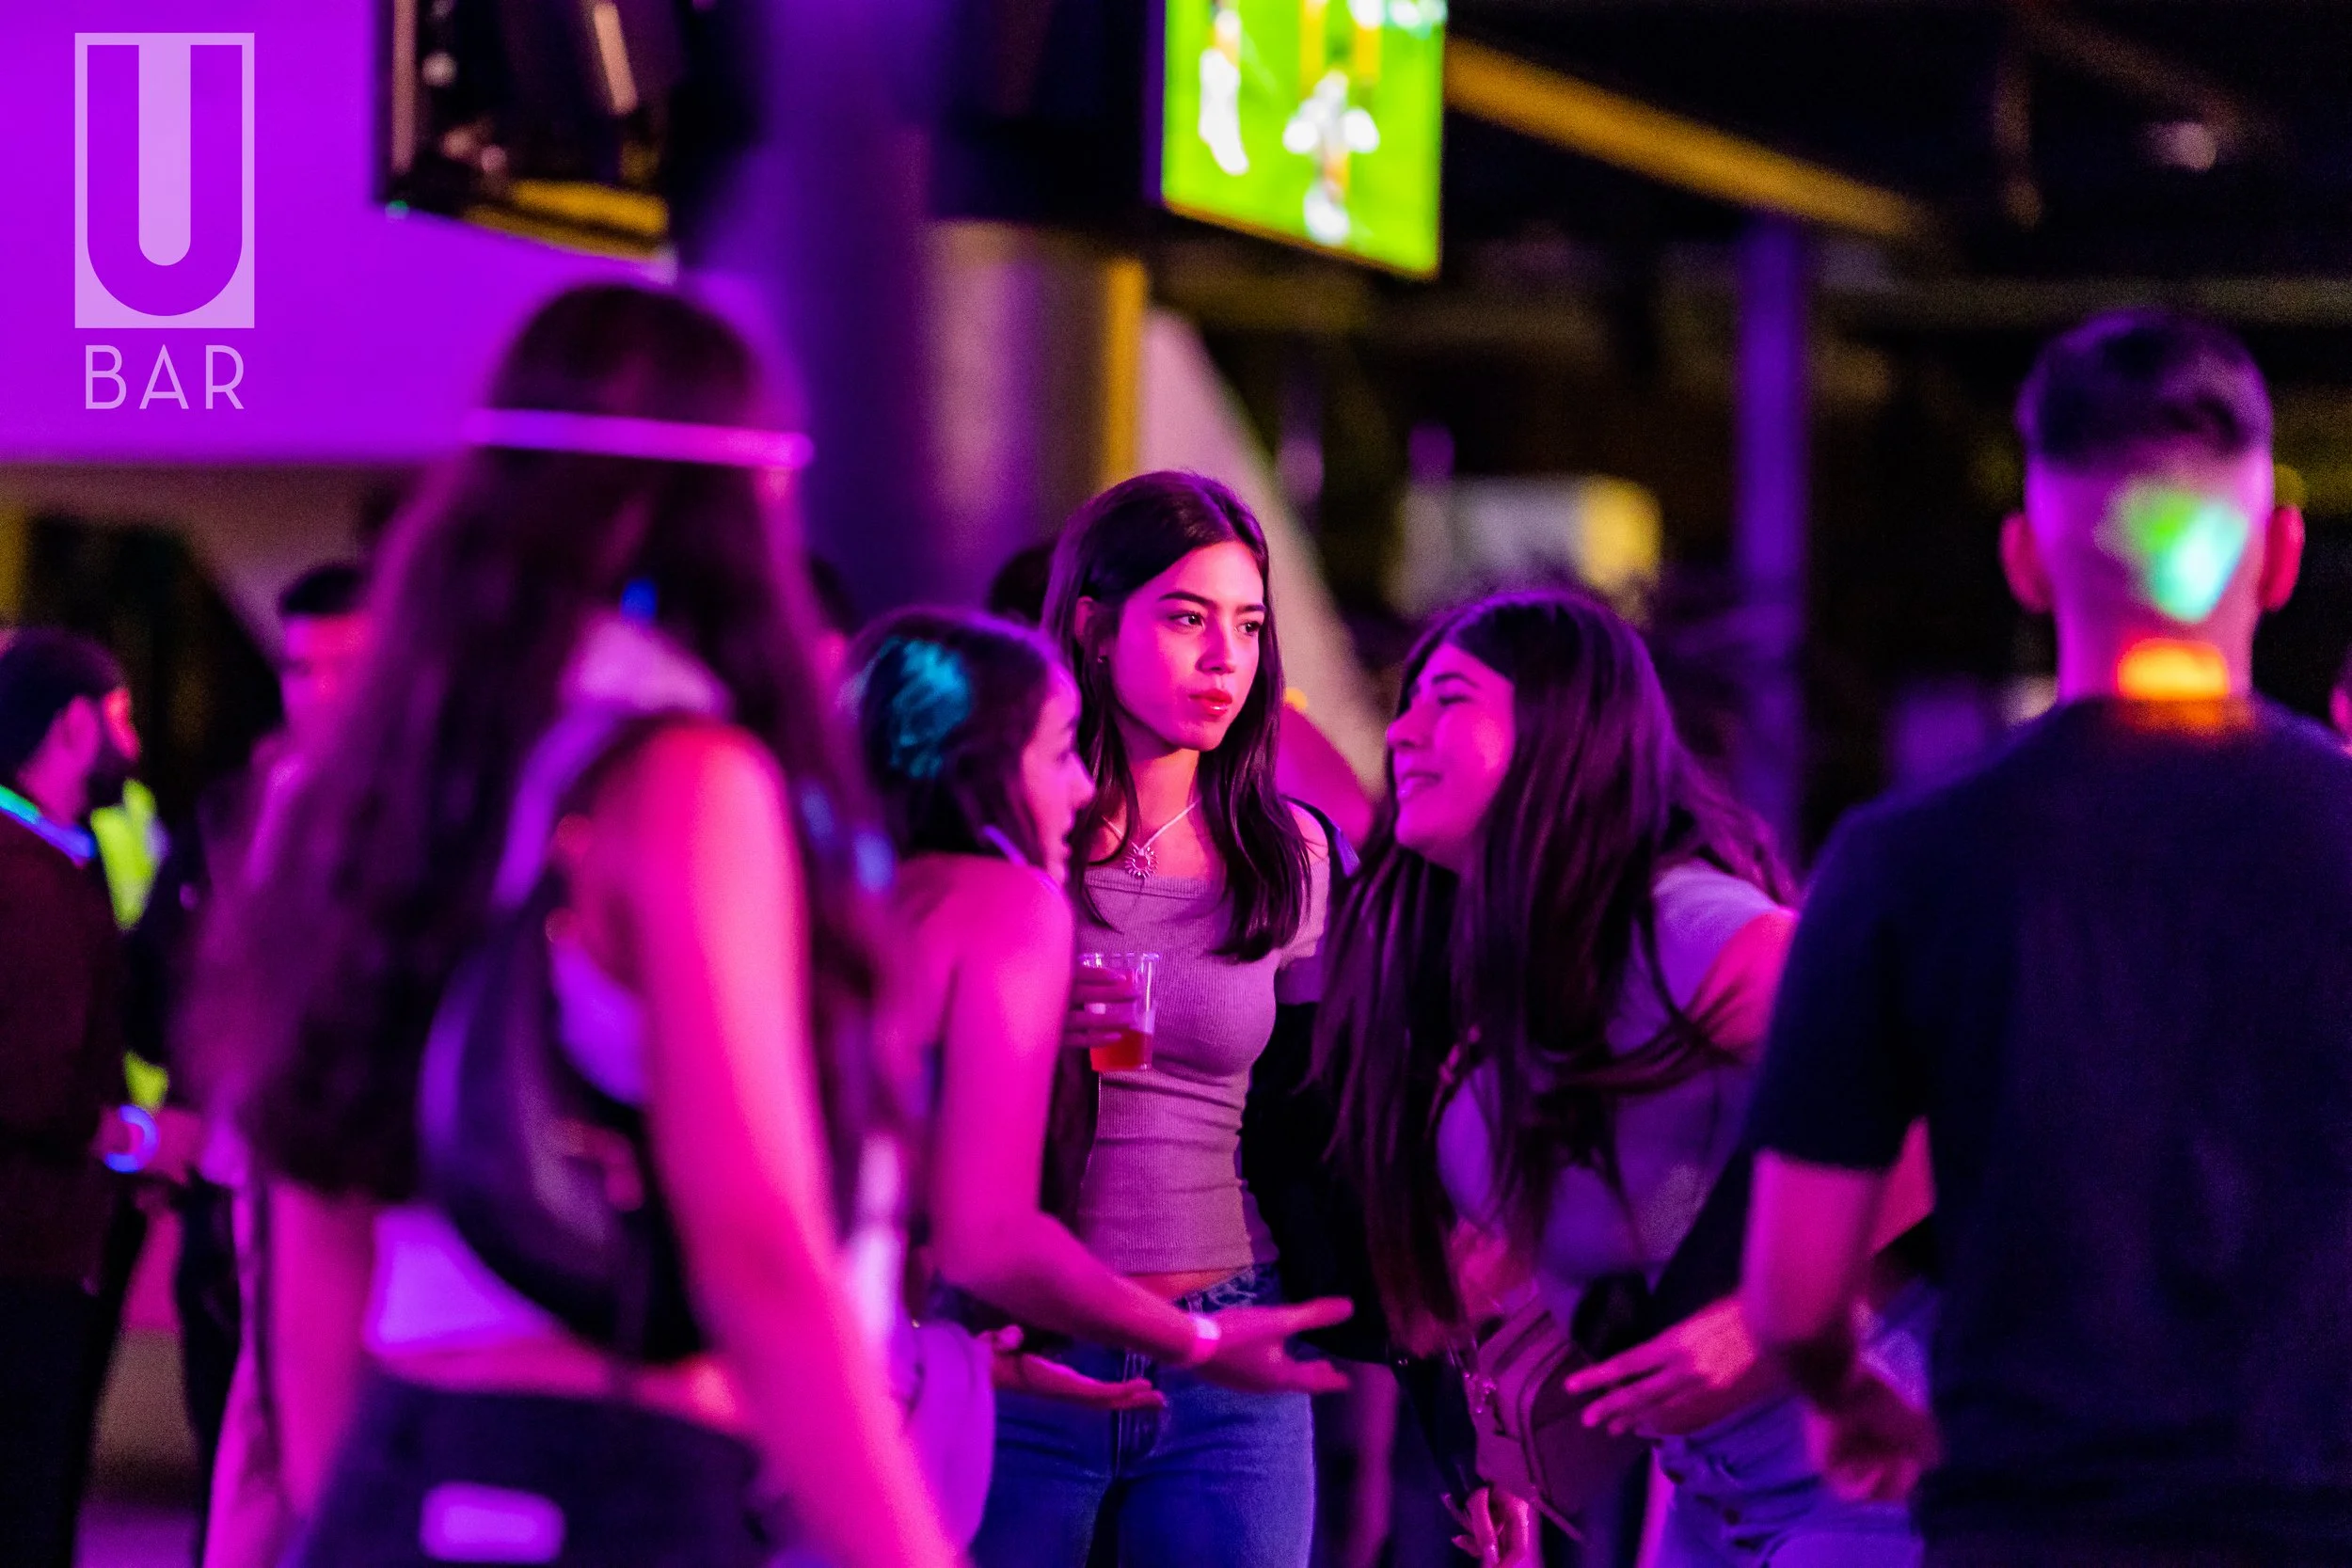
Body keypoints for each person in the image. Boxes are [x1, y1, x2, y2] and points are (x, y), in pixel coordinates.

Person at [197, 283, 961, 1568]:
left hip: (408, 1462)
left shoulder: (377, 779)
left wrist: (347, 1519)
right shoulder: (680, 780)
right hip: (618, 1479)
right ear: (743, 507)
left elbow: (311, 1214)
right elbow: (758, 1249)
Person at [1739, 310, 2352, 1567]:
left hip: (2028, 1520)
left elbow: (1793, 1294)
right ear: (2281, 555)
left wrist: (1853, 1396)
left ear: (2023, 559)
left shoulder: (1903, 862)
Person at [1316, 589, 1933, 1568]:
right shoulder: (1487, 977)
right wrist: (1503, 1454)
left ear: (1554, 729)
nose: (1401, 729)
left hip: (1877, 1475)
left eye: (1449, 699)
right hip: (1710, 1495)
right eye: (1405, 703)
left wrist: (1760, 1324)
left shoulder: (1682, 926)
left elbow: (1927, 1103)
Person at [969, 470, 1340, 1568]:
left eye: (1249, 625)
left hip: (1227, 1352)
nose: (1226, 658)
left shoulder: (1290, 853)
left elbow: (1323, 1115)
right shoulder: (1004, 835)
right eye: (1186, 618)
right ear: (1091, 624)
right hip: (1024, 1342)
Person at [850, 609, 1346, 1427]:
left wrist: (968, 1362)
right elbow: (990, 1237)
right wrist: (1201, 1339)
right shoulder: (1009, 905)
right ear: (978, 766)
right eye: (1056, 752)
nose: (1081, 787)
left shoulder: (850, 894)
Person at [124, 561, 373, 1568]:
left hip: (347, 1161)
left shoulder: (413, 797)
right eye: (299, 668)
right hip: (270, 1159)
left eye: (338, 667)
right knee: (270, 1421)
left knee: (297, 1425)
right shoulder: (270, 797)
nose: (314, 690)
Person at [0, 629, 160, 1568]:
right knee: (27, 1501)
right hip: (27, 1251)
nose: (132, 744)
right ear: (72, 727)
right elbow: (28, 1085)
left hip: (43, 1242)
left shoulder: (50, 861)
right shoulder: (26, 878)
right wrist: (141, 1139)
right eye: (121, 717)